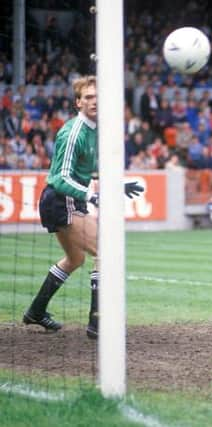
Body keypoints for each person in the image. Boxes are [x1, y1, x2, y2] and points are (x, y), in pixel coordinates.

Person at [22, 75, 144, 339]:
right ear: (78, 103)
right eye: (88, 97)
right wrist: (91, 195)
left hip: (66, 200)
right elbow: (60, 178)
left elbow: (84, 172)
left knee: (75, 259)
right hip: (60, 199)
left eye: (98, 96)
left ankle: (36, 311)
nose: (94, 101)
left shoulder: (94, 130)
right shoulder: (74, 131)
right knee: (105, 250)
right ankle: (97, 324)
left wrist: (116, 185)